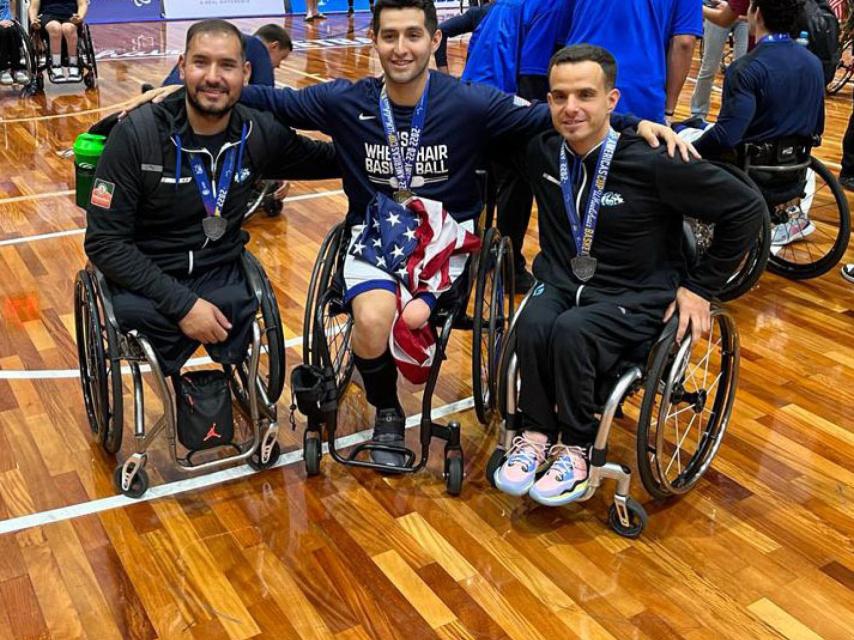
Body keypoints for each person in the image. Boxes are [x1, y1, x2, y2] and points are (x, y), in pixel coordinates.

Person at [132, 0, 693, 469]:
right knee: (374, 321)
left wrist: (632, 124)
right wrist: (173, 91)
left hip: (445, 247)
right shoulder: (344, 101)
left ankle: (415, 349)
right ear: (374, 41)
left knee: (413, 315)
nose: (401, 47)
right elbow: (266, 98)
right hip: (375, 239)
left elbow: (553, 116)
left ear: (433, 42)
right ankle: (387, 411)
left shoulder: (470, 103)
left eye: (413, 35)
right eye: (390, 35)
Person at [493, 44, 765, 505]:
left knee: (572, 331)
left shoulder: (655, 160)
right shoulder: (541, 150)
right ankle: (534, 435)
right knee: (534, 322)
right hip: (562, 281)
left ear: (612, 100)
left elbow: (747, 209)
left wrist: (701, 287)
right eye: (559, 97)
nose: (571, 108)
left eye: (585, 94)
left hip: (633, 293)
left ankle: (577, 448)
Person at [84, 20, 338, 377]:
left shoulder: (258, 132)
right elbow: (105, 242)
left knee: (243, 305)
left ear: (246, 73)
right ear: (182, 66)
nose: (214, 77)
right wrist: (184, 306)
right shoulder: (136, 135)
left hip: (219, 271)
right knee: (142, 317)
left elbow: (330, 158)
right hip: (146, 275)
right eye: (201, 62)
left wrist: (380, 139)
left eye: (227, 65)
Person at [690, 0, 824, 246]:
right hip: (794, 166)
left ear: (756, 12)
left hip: (753, 168)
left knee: (682, 144)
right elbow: (817, 125)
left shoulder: (745, 68)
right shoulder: (813, 63)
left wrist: (691, 150)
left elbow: (726, 136)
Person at [565, 0, 702, 124]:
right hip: (642, 94)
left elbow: (558, 19)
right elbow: (684, 43)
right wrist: (669, 111)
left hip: (577, 82)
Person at [162, 24, 292, 88]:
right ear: (273, 46)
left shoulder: (214, 40)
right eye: (281, 58)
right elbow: (267, 100)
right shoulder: (258, 48)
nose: (279, 65)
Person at [691, 4, 749, 121]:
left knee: (743, 71)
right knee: (709, 67)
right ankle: (697, 114)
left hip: (745, 14)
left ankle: (734, 116)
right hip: (718, 9)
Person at [28, 0, 87, 80]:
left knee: (68, 28)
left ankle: (73, 64)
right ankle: (56, 65)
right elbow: (33, 7)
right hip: (47, 15)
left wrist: (80, 16)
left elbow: (82, 4)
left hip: (70, 15)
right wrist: (33, 19)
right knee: (55, 28)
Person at [434, 1, 493, 74]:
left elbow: (441, 30)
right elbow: (441, 31)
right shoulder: (479, 13)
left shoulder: (479, 12)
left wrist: (443, 73)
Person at [0, 0, 28, 85]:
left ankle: (16, 69)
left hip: (7, 19)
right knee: (3, 32)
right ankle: (3, 70)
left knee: (14, 30)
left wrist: (12, 18)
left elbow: (13, 1)